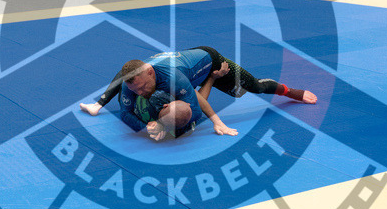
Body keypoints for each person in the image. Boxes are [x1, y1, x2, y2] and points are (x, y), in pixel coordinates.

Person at [79, 47, 317, 140]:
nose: (140, 93)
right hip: (183, 72)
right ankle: (98, 104)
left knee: (253, 87)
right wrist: (147, 126)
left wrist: (217, 122)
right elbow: (124, 112)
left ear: (150, 73)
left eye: (142, 87)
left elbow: (194, 106)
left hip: (210, 60)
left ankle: (291, 92)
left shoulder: (172, 78)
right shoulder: (134, 82)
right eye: (135, 90)